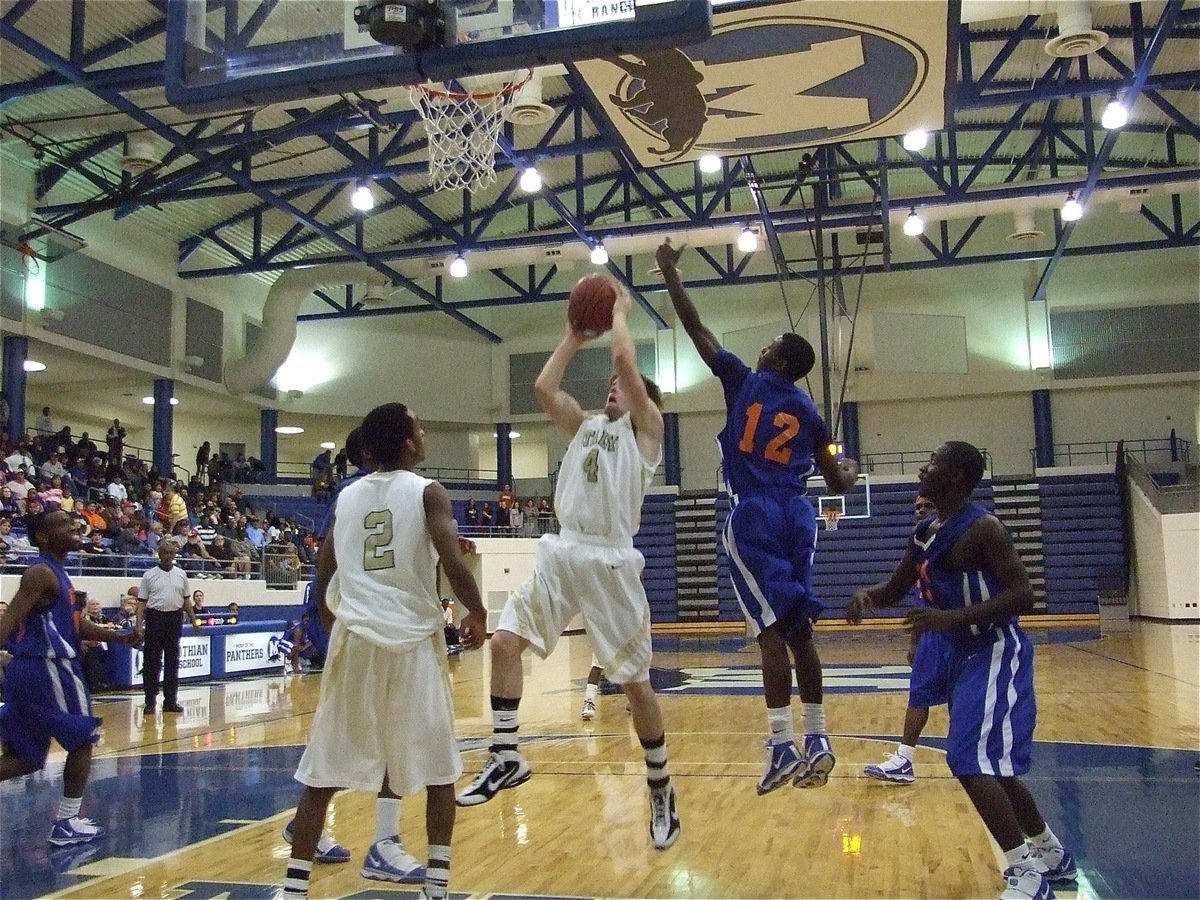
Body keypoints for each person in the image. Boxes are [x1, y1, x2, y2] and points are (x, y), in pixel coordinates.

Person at [456, 283, 681, 851]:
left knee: (634, 685)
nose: (613, 388)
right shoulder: (583, 425)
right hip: (563, 548)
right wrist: (573, 336)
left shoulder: (647, 434)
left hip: (610, 559)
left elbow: (627, 360)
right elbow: (541, 387)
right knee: (504, 644)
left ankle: (660, 790)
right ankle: (506, 756)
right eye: (608, 386)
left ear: (641, 401)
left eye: (621, 387)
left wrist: (623, 313)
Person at [655, 239, 859, 795]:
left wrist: (671, 272)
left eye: (769, 346)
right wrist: (852, 466)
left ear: (777, 361)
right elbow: (839, 482)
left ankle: (780, 746)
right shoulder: (810, 413)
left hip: (755, 514)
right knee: (800, 631)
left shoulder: (743, 381)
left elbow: (696, 329)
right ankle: (817, 738)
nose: (763, 348)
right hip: (801, 515)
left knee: (769, 632)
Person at [847, 442, 1075, 900]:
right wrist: (868, 596)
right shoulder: (925, 532)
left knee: (968, 760)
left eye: (930, 464)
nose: (920, 470)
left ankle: (1026, 875)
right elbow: (896, 588)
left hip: (994, 649)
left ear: (954, 477)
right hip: (961, 653)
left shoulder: (985, 528)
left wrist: (949, 620)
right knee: (995, 769)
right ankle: (1053, 856)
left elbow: (1023, 595)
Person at [281, 402, 486, 900]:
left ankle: (292, 890)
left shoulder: (347, 497)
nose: (423, 431)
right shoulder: (427, 492)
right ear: (409, 444)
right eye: (418, 426)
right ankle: (435, 887)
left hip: (356, 640)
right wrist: (478, 612)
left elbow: (325, 572)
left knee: (323, 772)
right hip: (411, 643)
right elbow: (452, 559)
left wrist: (337, 624)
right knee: (440, 771)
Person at [0, 510, 140, 844]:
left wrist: (120, 636)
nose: (74, 526)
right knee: (82, 738)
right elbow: (10, 618)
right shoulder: (41, 573)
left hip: (29, 671)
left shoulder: (59, 574)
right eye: (63, 524)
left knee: (27, 758)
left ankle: (67, 822)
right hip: (50, 669)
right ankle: (65, 822)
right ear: (44, 537)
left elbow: (75, 628)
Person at [862, 494, 954, 784]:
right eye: (917, 508)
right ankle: (905, 759)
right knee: (919, 695)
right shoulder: (919, 546)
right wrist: (914, 642)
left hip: (956, 629)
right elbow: (917, 601)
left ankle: (969, 754)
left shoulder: (958, 537)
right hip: (932, 633)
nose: (921, 512)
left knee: (960, 697)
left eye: (927, 506)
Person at [135, 543, 200, 714]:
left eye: (172, 553)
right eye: (165, 552)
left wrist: (194, 620)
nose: (169, 556)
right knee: (151, 661)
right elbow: (141, 603)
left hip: (174, 618)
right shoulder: (149, 575)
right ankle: (150, 701)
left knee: (173, 660)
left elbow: (186, 599)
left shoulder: (181, 574)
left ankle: (170, 700)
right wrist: (138, 625)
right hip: (155, 618)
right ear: (159, 554)